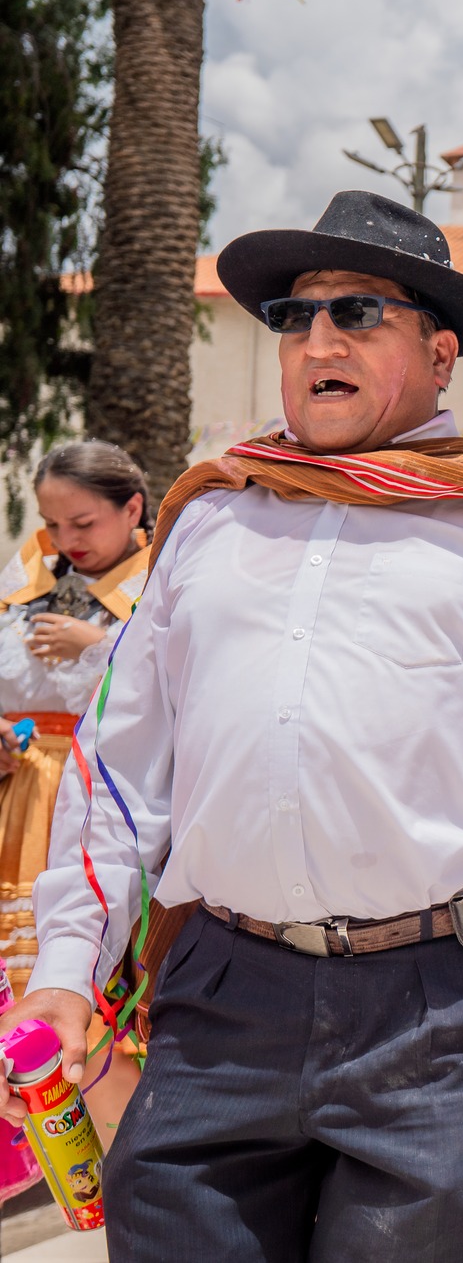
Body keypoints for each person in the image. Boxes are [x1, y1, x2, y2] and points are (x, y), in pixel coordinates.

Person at [3, 190, 463, 1262]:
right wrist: (64, 968)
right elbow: (121, 769)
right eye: (293, 318)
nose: (318, 339)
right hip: (222, 995)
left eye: (358, 313)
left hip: (448, 1006)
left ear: (440, 352)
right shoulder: (209, 516)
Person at [0, 442, 152, 1142]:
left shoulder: (163, 581)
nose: (67, 541)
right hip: (19, 797)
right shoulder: (30, 572)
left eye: (84, 522)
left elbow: (170, 694)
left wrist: (101, 642)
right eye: (53, 524)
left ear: (133, 509)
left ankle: (129, 1156)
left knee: (104, 998)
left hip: (109, 798)